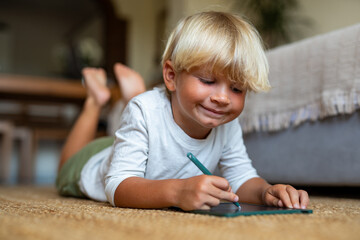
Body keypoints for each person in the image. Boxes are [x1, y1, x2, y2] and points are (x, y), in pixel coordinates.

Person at [56, 11, 309, 211]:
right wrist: (178, 192)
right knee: (64, 170)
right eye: (208, 81)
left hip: (134, 140)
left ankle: (131, 95)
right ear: (171, 76)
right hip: (96, 161)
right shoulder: (143, 111)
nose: (222, 98)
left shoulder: (226, 124)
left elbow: (242, 179)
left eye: (236, 88)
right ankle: (97, 100)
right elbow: (117, 185)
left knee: (141, 116)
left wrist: (266, 192)